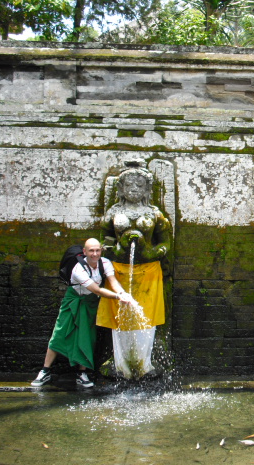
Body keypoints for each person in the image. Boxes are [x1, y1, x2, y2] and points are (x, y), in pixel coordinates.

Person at [97, 162, 171, 379]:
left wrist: (149, 251)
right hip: (118, 271)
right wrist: (116, 248)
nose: (134, 189)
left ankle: (145, 362)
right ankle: (120, 363)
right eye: (129, 185)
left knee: (146, 317)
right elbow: (104, 241)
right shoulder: (114, 212)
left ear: (148, 190)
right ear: (120, 189)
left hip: (149, 271)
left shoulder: (155, 214)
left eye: (140, 186)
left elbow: (166, 244)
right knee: (120, 316)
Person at [31, 238, 135, 388]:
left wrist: (122, 292)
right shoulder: (78, 269)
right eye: (91, 251)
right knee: (59, 333)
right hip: (73, 300)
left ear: (101, 250)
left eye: (97, 250)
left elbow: (112, 281)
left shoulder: (105, 263)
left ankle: (82, 373)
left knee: (87, 336)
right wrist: (118, 297)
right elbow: (97, 290)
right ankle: (45, 371)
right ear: (85, 252)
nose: (94, 254)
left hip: (91, 302)